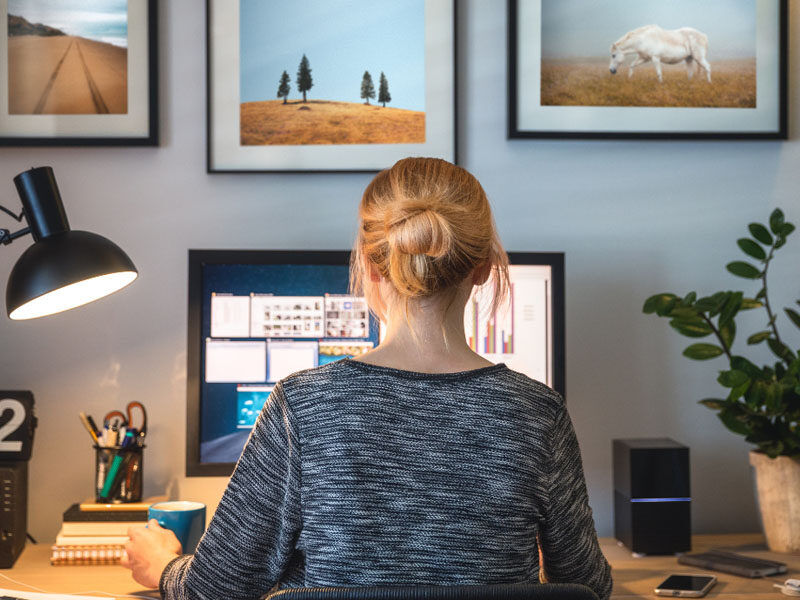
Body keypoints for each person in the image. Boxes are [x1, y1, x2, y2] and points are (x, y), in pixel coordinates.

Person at [122, 158, 612, 600]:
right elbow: (588, 588)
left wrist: (163, 566)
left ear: (371, 265)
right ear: (484, 267)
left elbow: (218, 591)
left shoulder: (303, 406)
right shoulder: (538, 412)